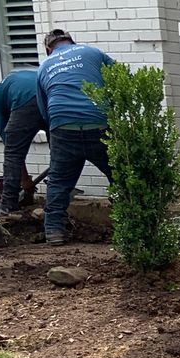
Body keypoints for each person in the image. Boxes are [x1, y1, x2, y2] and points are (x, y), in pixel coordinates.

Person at [36, 28, 116, 247]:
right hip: (97, 122)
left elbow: (44, 111)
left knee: (59, 182)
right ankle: (127, 223)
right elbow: (121, 79)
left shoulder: (44, 66)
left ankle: (54, 231)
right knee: (119, 175)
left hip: (63, 126)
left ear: (48, 49)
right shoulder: (92, 52)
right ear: (71, 42)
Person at [0, 69, 45, 218]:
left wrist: (25, 181)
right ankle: (58, 201)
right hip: (53, 95)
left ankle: (7, 207)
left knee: (12, 154)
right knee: (59, 147)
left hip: (27, 98)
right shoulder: (14, 79)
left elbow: (12, 149)